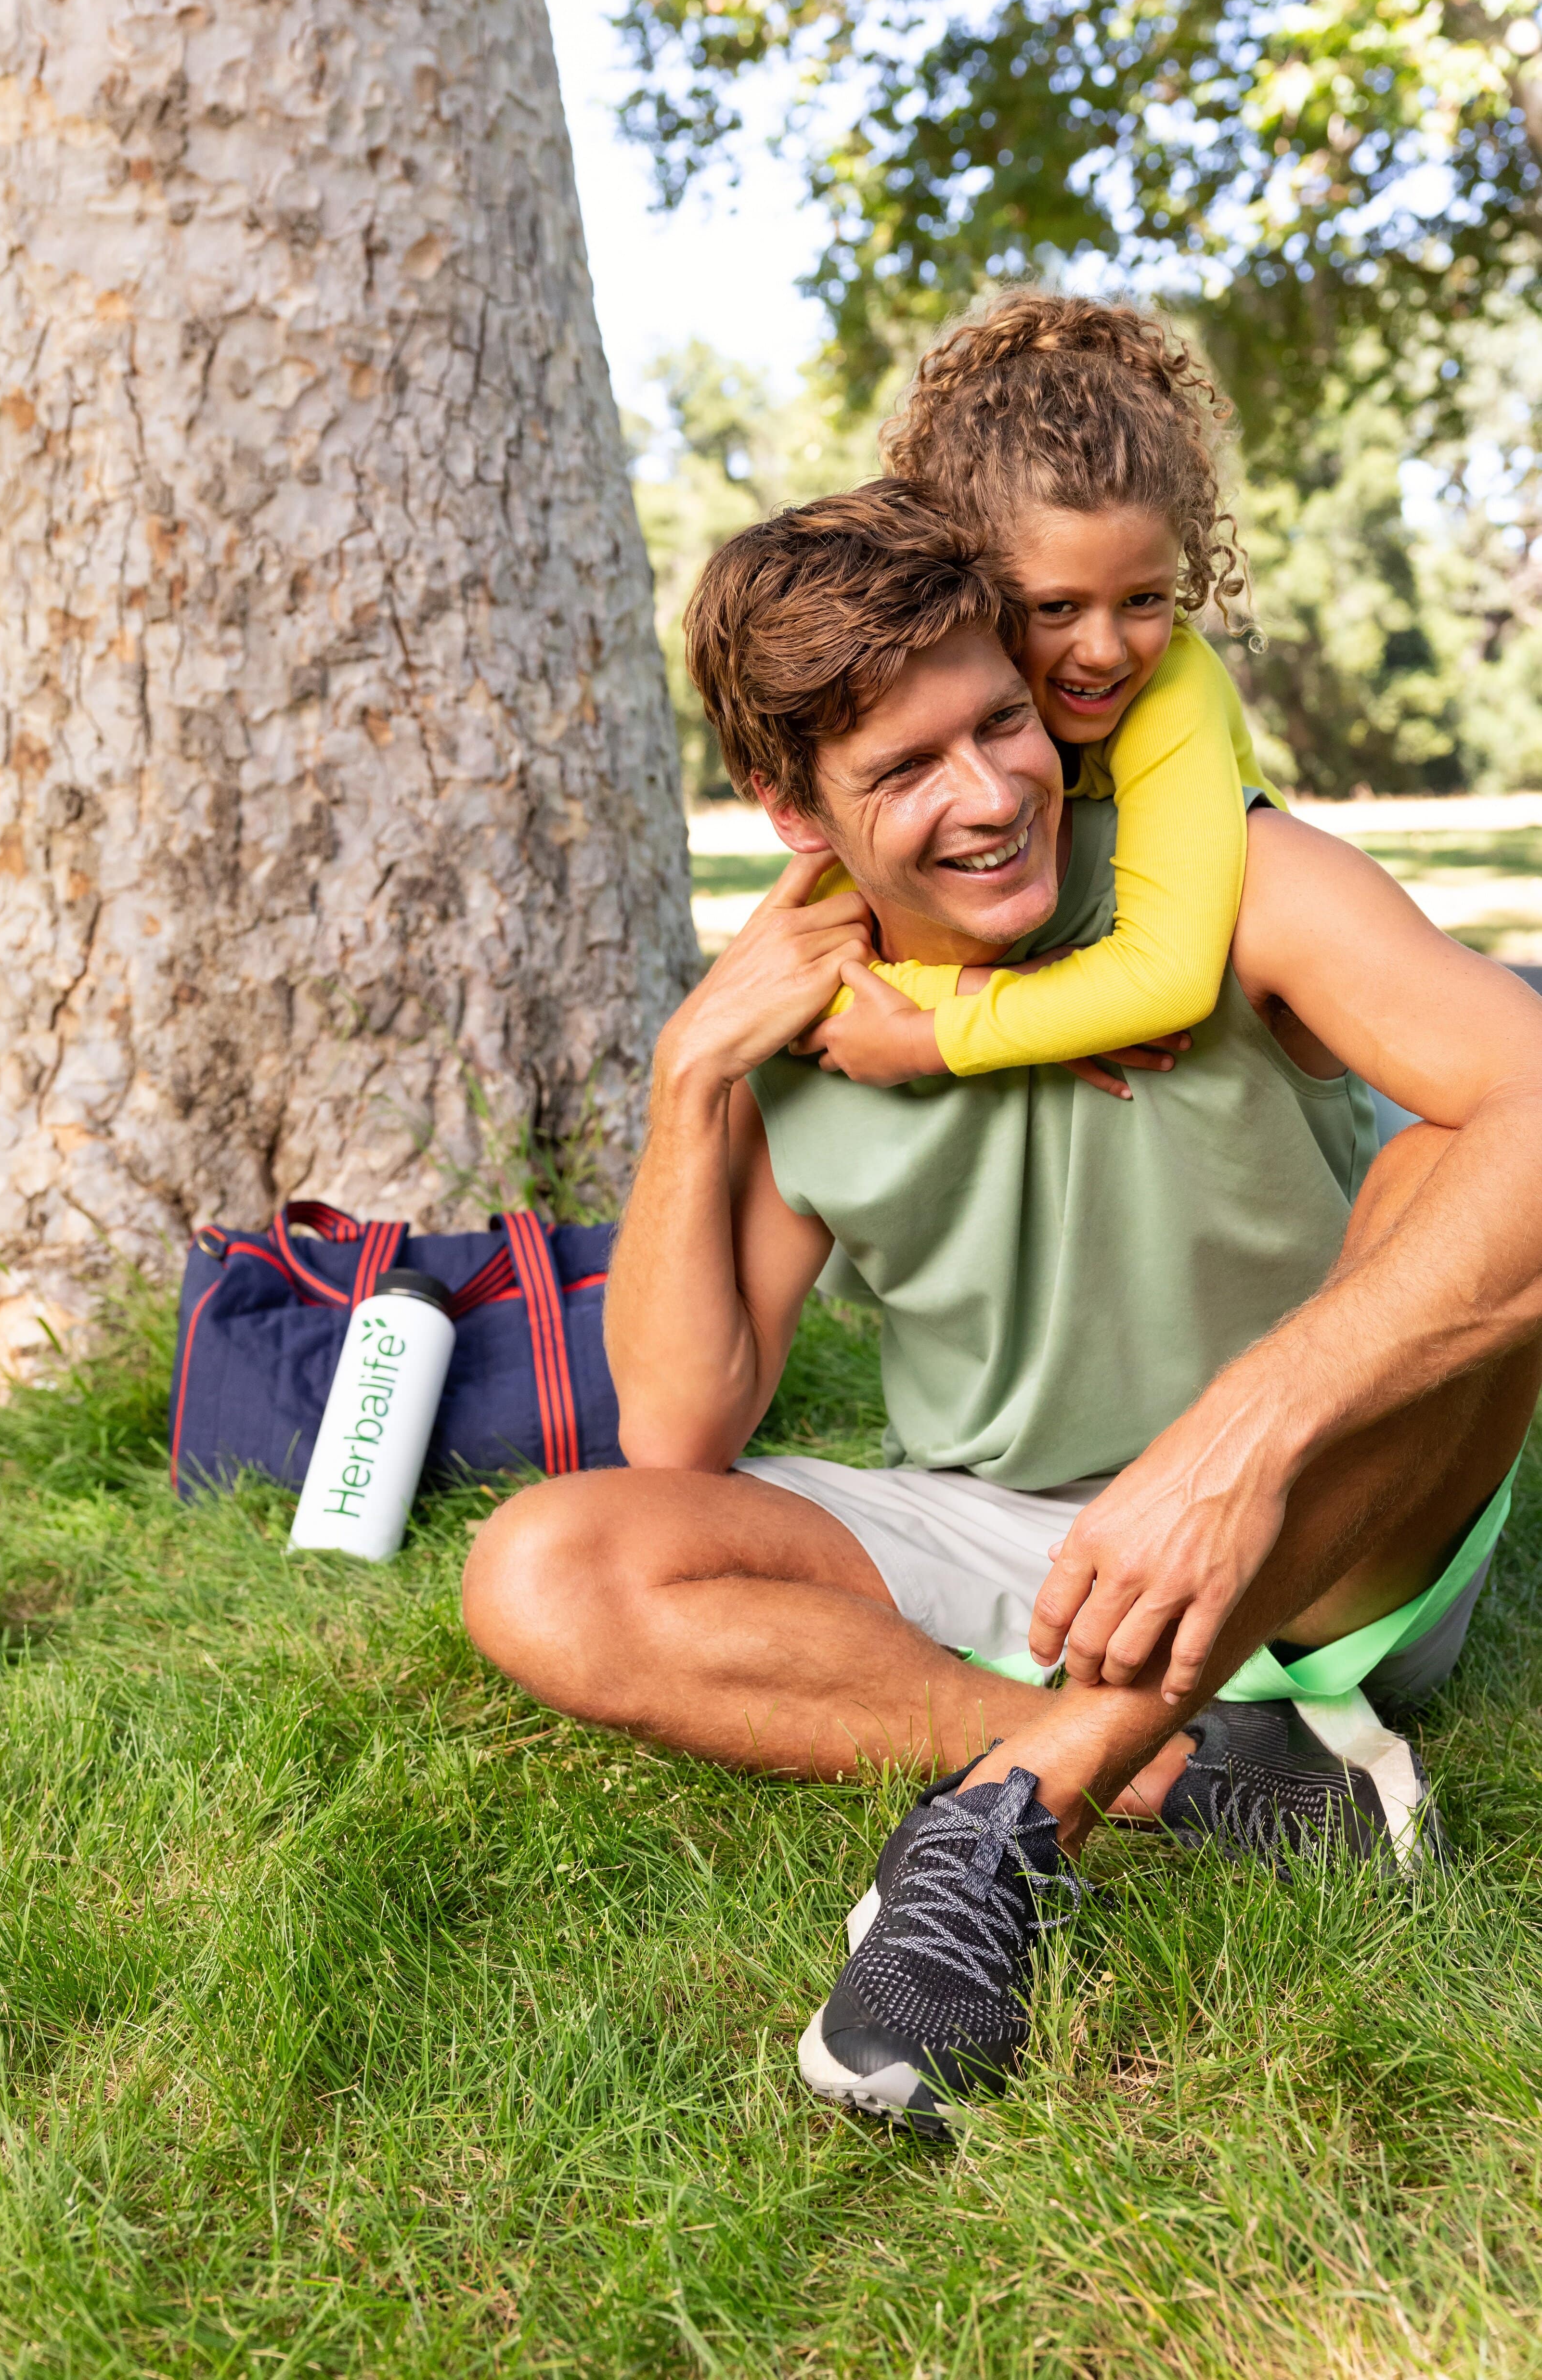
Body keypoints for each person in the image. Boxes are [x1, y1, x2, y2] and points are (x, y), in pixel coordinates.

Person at [461, 481, 1542, 2135]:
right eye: (902, 770)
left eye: (997, 725)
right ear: (787, 800)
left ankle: (1032, 1795)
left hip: (1323, 1530)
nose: (985, 799)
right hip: (1021, 1556)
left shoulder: (1233, 885)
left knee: (1461, 1172)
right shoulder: (798, 1026)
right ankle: (1193, 1770)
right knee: (545, 1560)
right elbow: (679, 1435)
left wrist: (1234, 1447)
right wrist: (690, 1077)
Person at [794, 291, 1286, 1092]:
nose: (1104, 651)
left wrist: (930, 1039)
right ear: (972, 583)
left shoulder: (1174, 685)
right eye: (1057, 607)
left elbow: (1168, 979)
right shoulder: (938, 694)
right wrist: (1002, 997)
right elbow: (808, 970)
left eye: (1145, 600)